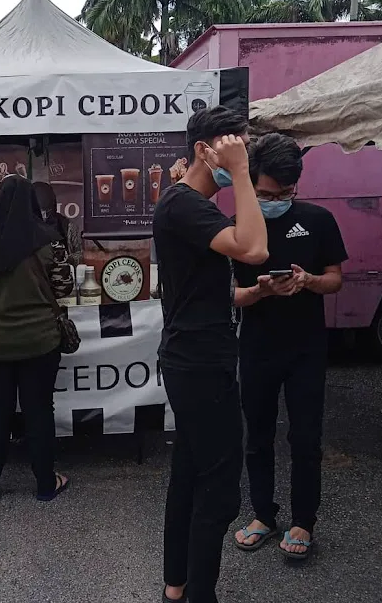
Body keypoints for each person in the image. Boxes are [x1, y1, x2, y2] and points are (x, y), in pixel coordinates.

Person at [153, 106, 268, 603]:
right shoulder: (184, 203)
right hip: (200, 363)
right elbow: (254, 249)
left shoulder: (187, 202)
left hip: (196, 355)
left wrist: (252, 294)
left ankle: (177, 588)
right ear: (204, 150)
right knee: (219, 491)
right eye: (236, 146)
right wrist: (241, 174)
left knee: (189, 476)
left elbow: (203, 289)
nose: (243, 155)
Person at [233, 133, 347, 560]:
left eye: (285, 194)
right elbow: (229, 295)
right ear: (251, 184)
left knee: (305, 437)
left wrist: (309, 281)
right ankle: (263, 514)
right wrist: (260, 291)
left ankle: (303, 521)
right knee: (257, 436)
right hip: (257, 346)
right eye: (265, 195)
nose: (275, 201)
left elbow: (335, 279)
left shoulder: (318, 220)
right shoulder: (238, 227)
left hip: (306, 349)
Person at [0, 175, 74, 503]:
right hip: (40, 342)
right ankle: (46, 484)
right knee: (39, 411)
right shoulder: (50, 241)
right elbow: (65, 287)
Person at [33, 180, 83, 266]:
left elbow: (80, 255)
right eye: (40, 212)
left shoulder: (67, 226)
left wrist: (66, 259)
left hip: (62, 272)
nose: (44, 216)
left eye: (48, 212)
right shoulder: (23, 228)